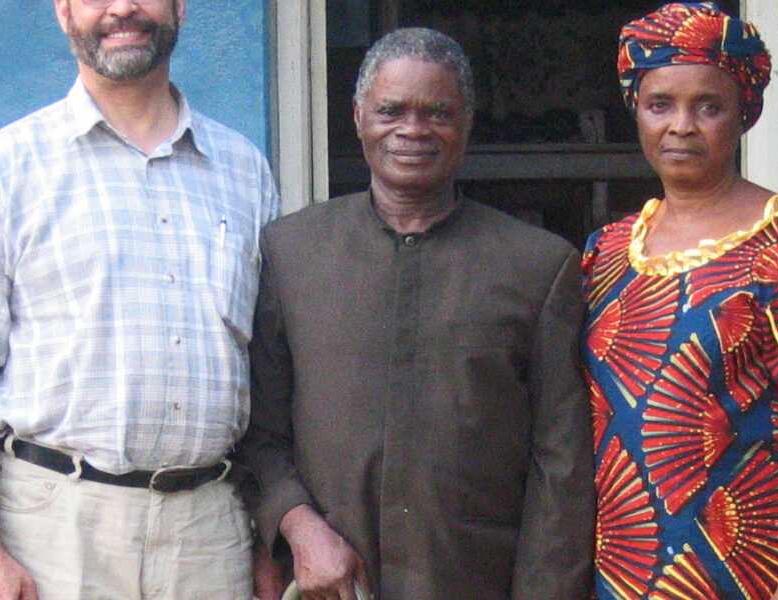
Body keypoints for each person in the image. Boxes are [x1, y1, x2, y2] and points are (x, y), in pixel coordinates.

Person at [0, 0, 280, 598]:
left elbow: (265, 372)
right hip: (53, 532)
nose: (123, 8)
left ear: (180, 7)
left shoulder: (244, 171)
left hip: (210, 532)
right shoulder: (3, 170)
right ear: (63, 11)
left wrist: (266, 538)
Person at [237, 27, 595, 600]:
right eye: (391, 110)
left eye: (437, 113)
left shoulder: (539, 267)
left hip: (474, 579)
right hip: (332, 583)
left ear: (467, 124)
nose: (413, 129)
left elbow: (561, 466)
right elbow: (260, 432)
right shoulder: (291, 252)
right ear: (357, 116)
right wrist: (297, 527)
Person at [585, 3, 778, 599]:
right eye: (660, 104)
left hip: (748, 570)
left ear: (744, 115)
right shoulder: (607, 251)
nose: (682, 126)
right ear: (636, 112)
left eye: (709, 106)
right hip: (622, 570)